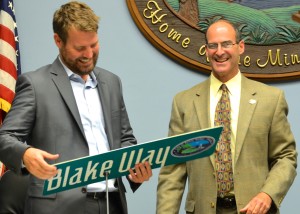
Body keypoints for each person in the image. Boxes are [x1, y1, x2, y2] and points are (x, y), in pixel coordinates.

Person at [0, 1, 152, 214]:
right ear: (58, 41)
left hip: (112, 204)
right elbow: (4, 138)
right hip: (57, 207)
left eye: (94, 45)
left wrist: (134, 168)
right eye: (80, 48)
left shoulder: (112, 82)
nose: (89, 54)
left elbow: (125, 139)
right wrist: (26, 154)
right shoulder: (35, 84)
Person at [156, 19, 297, 214]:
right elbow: (173, 170)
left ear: (240, 47)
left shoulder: (270, 99)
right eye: (213, 46)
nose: (219, 51)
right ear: (206, 51)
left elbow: (285, 157)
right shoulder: (184, 102)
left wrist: (267, 194)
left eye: (226, 44)